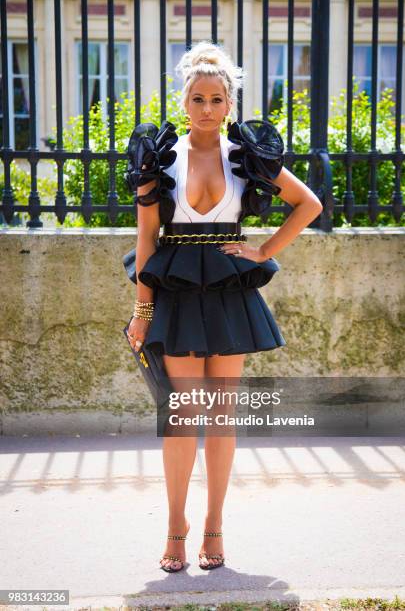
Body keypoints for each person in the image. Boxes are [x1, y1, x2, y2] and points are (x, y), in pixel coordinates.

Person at [124, 40, 323, 573]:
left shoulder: (248, 156)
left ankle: (214, 524)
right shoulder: (160, 158)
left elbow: (309, 204)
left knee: (223, 418)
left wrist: (263, 250)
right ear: (183, 102)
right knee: (182, 417)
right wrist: (142, 312)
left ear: (230, 104)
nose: (207, 108)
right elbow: (146, 239)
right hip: (177, 293)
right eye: (197, 99)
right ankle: (175, 526)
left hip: (232, 292)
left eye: (217, 99)